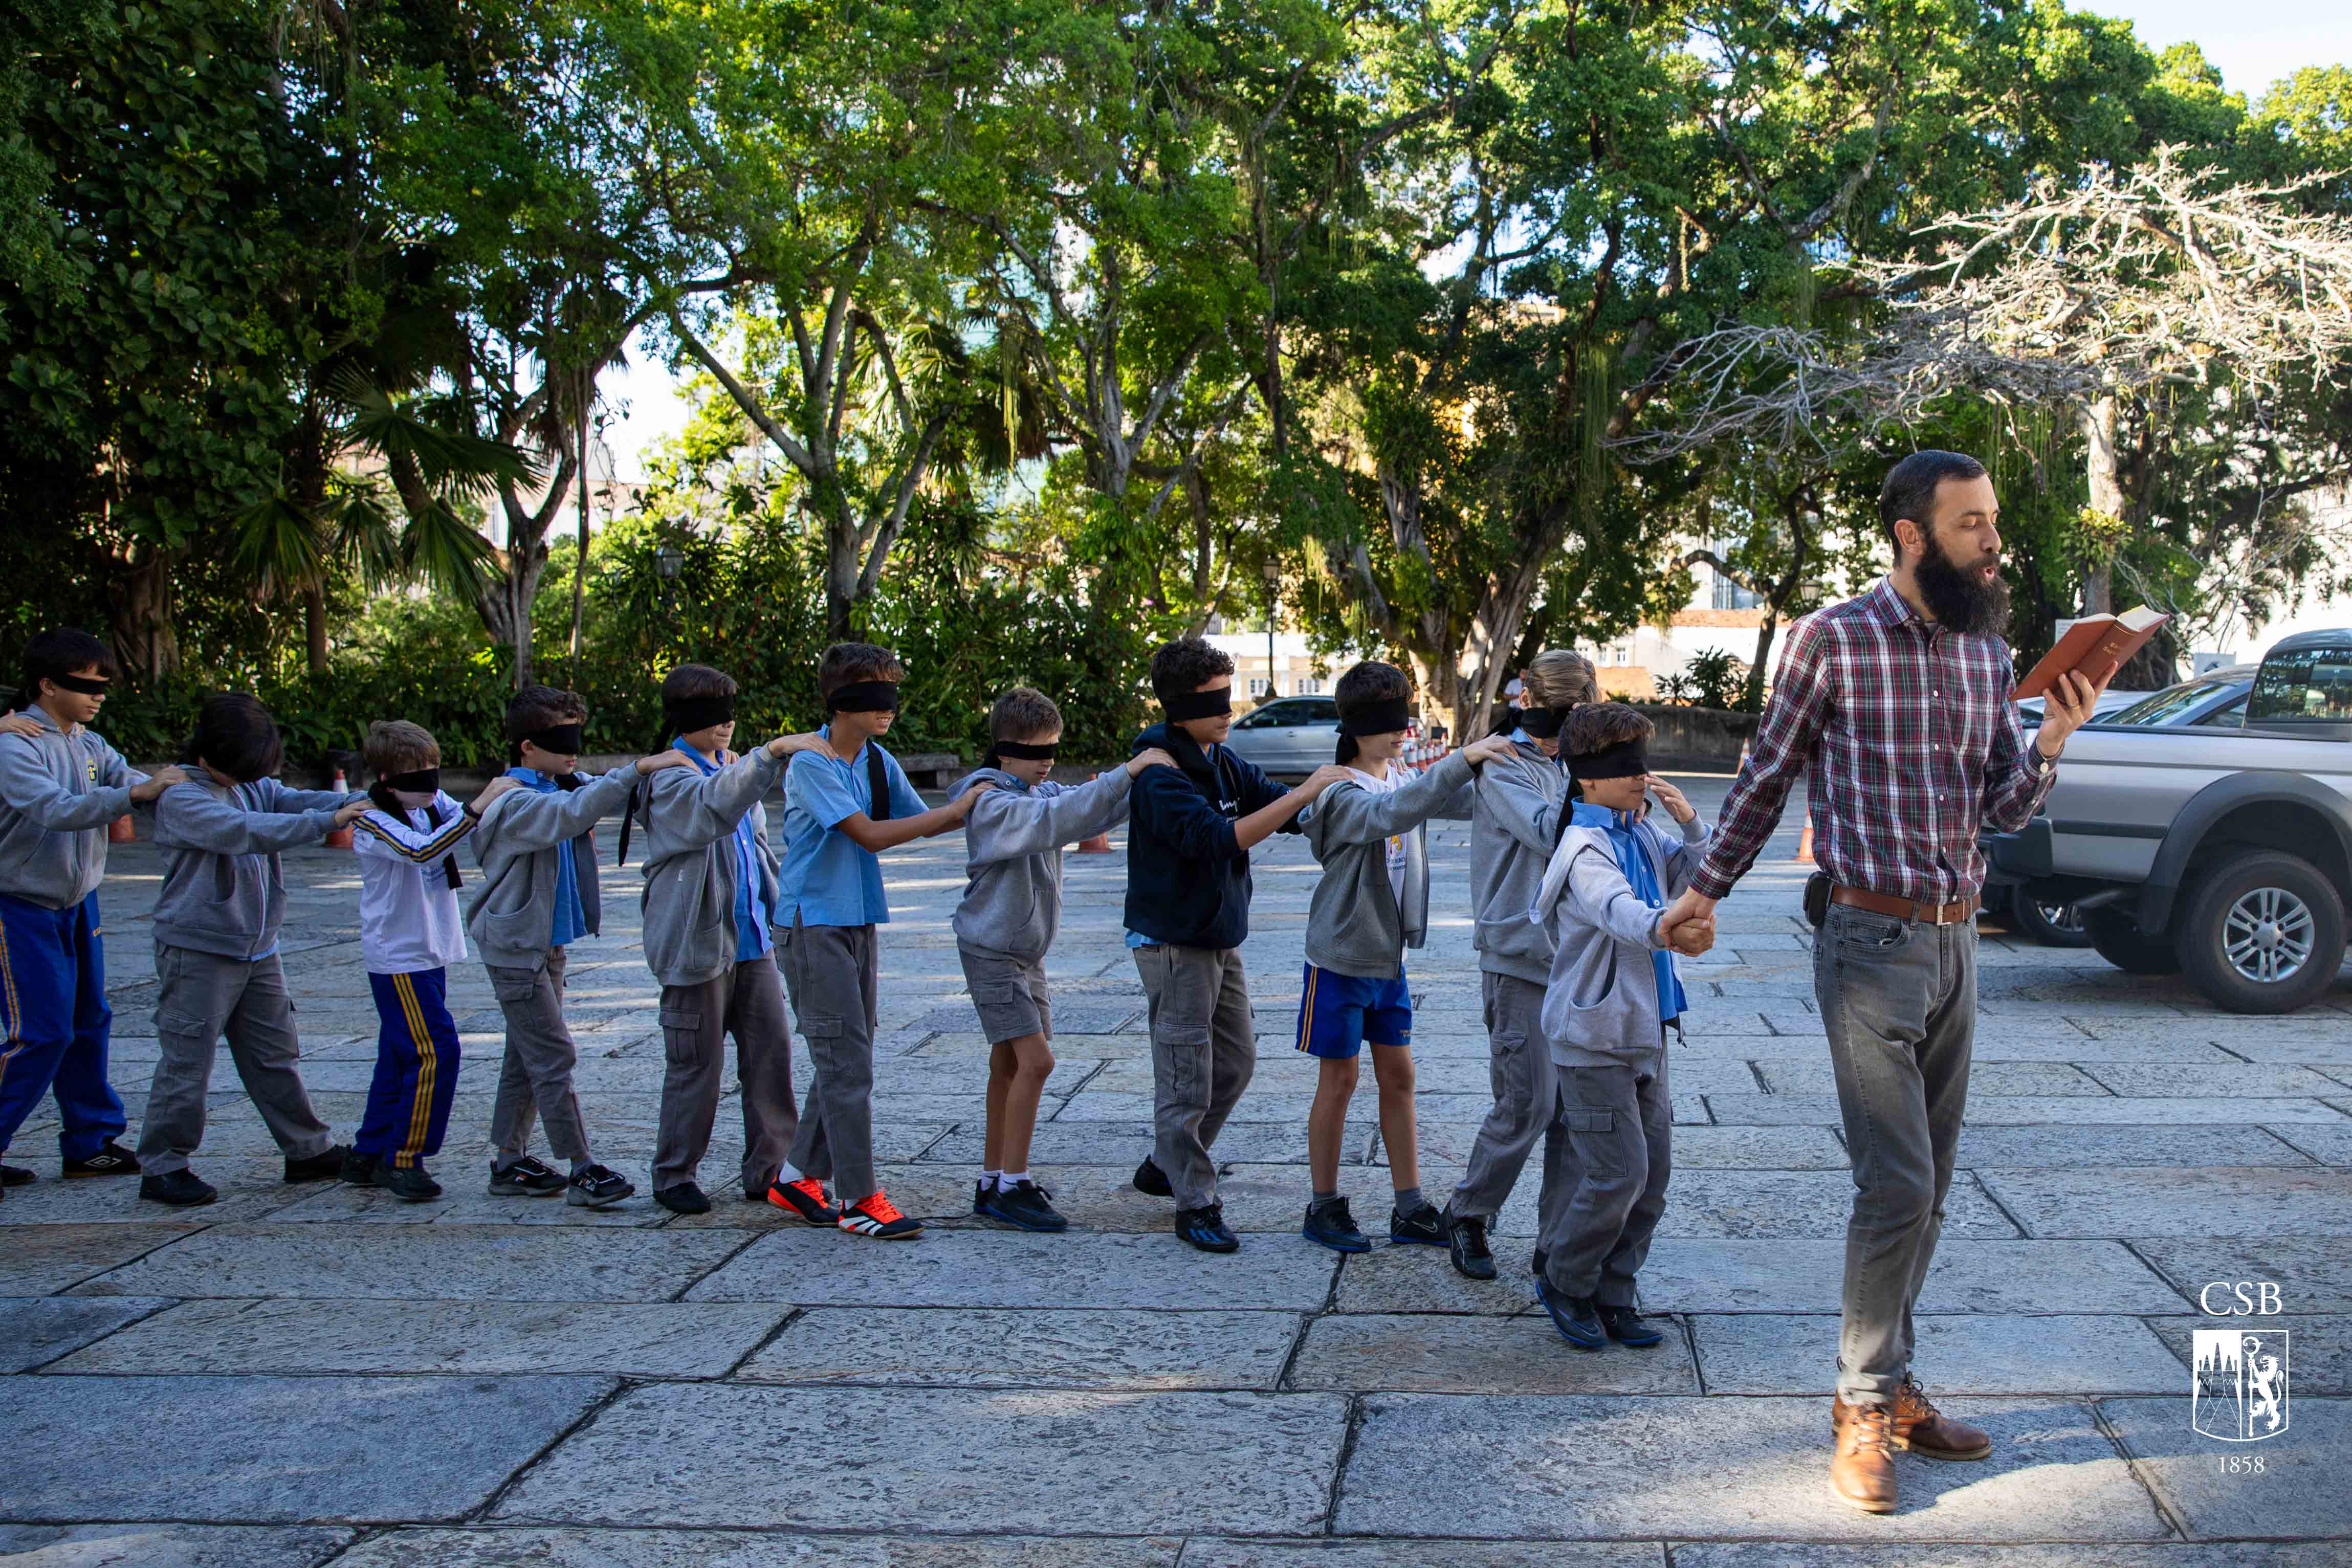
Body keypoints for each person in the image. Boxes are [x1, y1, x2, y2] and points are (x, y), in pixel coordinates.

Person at [1657, 449, 2112, 1514]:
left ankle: (1896, 1384)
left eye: (1994, 520)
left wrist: (2052, 738)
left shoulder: (1983, 646)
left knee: (1933, 1188)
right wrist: (1706, 889)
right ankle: (1859, 1405)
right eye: (1972, 523)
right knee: (1897, 1183)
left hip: (1959, 944)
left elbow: (2002, 805)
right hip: (1868, 939)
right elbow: (1768, 771)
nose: (1993, 540)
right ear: (1911, 532)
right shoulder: (1833, 639)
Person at [1123, 636, 1351, 1253]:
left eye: (1229, 695)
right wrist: (1304, 794)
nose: (1230, 709)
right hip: (1174, 942)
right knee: (1185, 1077)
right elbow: (1217, 838)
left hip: (1218, 937)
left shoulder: (1220, 758)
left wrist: (1346, 795)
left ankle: (1165, 1163)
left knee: (1237, 1061)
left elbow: (1280, 806)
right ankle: (1194, 1200)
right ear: (1177, 704)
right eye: (1215, 699)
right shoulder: (1160, 770)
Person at [765, 643, 986, 1240]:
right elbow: (869, 835)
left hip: (857, 919)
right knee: (846, 1063)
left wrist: (988, 791)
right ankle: (858, 1197)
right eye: (874, 693)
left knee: (846, 1056)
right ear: (840, 701)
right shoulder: (811, 763)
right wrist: (953, 813)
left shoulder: (875, 759)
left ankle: (794, 1177)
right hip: (813, 924)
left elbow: (925, 815)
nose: (888, 705)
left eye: (893, 690)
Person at [1293, 659, 1509, 1252]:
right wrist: (1459, 759)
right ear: (1356, 725)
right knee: (1338, 1078)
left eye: (1403, 718)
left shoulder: (1396, 780)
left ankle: (1409, 1206)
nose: (1400, 731)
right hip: (1338, 958)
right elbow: (1392, 814)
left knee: (1400, 1076)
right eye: (1388, 722)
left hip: (1388, 963)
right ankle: (1323, 1204)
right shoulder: (1340, 792)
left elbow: (1451, 801)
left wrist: (1517, 758)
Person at [952, 687, 1173, 1231]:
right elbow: (1058, 819)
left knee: (1008, 1064)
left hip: (1025, 954)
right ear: (1002, 751)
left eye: (1051, 747)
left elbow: (1084, 804)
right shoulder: (993, 802)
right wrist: (1125, 773)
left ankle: (993, 1178)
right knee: (1037, 1062)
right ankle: (1013, 1184)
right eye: (1033, 749)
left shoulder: (1038, 789)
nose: (1045, 758)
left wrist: (1138, 781)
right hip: (992, 951)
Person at [1527, 702, 1711, 1355]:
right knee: (1617, 1172)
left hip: (1647, 1029)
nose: (1638, 776)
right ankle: (1566, 1279)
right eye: (1622, 764)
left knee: (1651, 1175)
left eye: (1640, 760)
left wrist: (1689, 825)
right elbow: (1617, 908)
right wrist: (1668, 927)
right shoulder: (1584, 846)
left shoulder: (1640, 834)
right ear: (1587, 777)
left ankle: (1615, 1293)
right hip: (1593, 1035)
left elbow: (1699, 875)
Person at [139, 694, 369, 1206]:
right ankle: (164, 1163)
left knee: (275, 1052)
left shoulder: (247, 783)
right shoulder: (181, 796)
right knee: (187, 1059)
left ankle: (307, 1148)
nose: (250, 779)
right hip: (198, 948)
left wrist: (355, 800)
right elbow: (244, 832)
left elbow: (288, 800)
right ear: (210, 755)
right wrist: (330, 823)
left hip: (258, 945)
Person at [470, 684, 687, 1209]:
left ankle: (508, 1160)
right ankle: (581, 1165)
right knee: (553, 1053)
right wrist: (635, 768)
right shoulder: (513, 801)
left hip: (546, 945)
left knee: (526, 1056)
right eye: (560, 738)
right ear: (526, 745)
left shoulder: (556, 783)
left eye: (576, 737)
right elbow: (571, 813)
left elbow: (586, 791)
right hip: (516, 949)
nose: (574, 749)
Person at [632, 664, 826, 1214]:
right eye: (708, 713)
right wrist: (766, 757)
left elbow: (756, 849)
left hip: (752, 940)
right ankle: (674, 1173)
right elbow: (708, 812)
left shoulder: (733, 766)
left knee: (772, 1054)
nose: (724, 725)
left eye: (729, 711)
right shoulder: (670, 776)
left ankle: (769, 1168)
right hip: (696, 945)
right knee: (696, 1062)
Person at [0, 630, 185, 1197]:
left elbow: (125, 776)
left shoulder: (87, 742)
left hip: (78, 901)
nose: (98, 694)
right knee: (41, 1031)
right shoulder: (14, 746)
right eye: (85, 685)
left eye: (104, 685)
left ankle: (90, 1141)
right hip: (18, 904)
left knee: (89, 1019)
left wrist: (178, 786)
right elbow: (55, 809)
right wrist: (135, 796)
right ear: (47, 684)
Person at [1443, 648, 1596, 1278]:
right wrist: (1597, 777)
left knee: (1574, 1114)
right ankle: (1469, 1211)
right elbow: (1547, 832)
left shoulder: (1578, 760)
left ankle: (1554, 1240)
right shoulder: (1504, 762)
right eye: (1564, 713)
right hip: (1519, 955)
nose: (1567, 726)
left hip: (1580, 957)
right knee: (1527, 1103)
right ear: (1527, 700)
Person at [342, 720, 517, 1201]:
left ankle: (368, 1150)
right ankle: (403, 1156)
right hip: (397, 957)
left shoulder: (426, 803)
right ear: (385, 778)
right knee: (436, 1051)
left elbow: (455, 814)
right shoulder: (370, 817)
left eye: (431, 770)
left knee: (398, 1054)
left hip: (428, 950)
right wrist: (480, 804)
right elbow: (421, 852)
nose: (429, 783)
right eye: (415, 774)